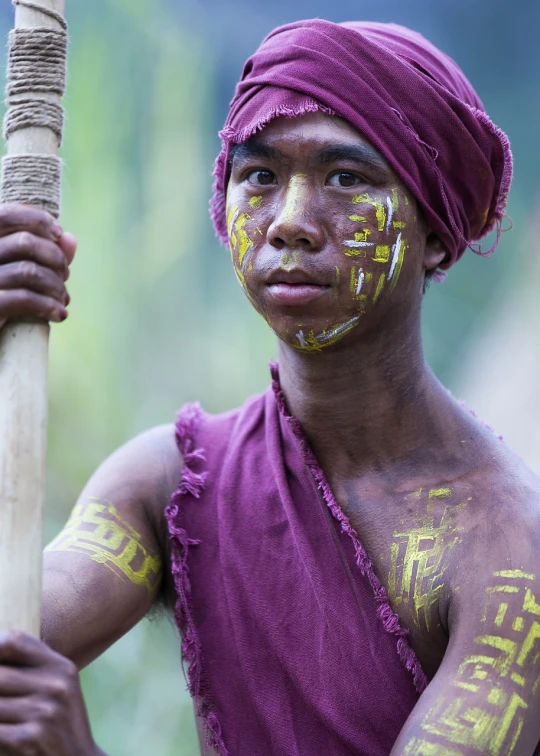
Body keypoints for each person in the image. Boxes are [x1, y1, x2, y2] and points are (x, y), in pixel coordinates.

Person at [0, 18, 538, 756]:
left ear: (438, 232)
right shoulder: (173, 482)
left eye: (346, 179)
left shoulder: (507, 552)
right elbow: (11, 639)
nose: (289, 222)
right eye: (260, 177)